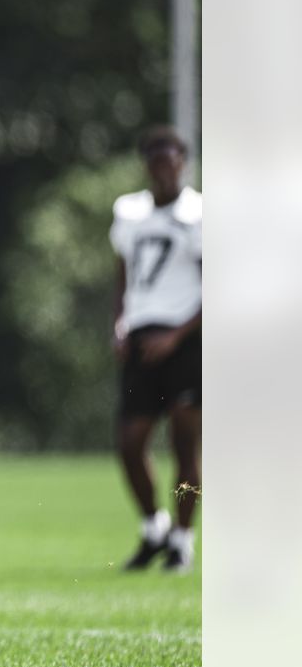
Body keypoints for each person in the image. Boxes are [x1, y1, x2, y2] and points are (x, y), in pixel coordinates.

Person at [109, 125, 202, 573]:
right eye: (155, 163)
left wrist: (177, 336)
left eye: (171, 161)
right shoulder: (129, 212)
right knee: (130, 443)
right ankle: (154, 528)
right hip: (143, 338)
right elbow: (123, 272)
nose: (164, 171)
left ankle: (182, 540)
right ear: (147, 166)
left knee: (185, 446)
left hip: (186, 339)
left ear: (182, 163)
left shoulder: (201, 213)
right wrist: (120, 322)